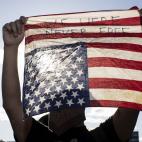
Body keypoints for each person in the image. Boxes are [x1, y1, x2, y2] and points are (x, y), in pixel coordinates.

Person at [2, 16, 140, 142]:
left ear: (84, 105)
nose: (64, 101)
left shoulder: (99, 139)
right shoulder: (40, 138)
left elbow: (133, 97)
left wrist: (136, 35)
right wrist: (11, 47)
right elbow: (11, 104)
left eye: (73, 96)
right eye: (57, 97)